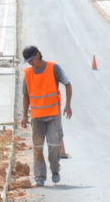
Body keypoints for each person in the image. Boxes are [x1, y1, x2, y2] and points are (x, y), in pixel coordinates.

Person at [19, 45, 73, 186]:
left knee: (54, 146)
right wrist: (24, 116)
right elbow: (26, 96)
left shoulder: (53, 68)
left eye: (32, 60)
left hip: (53, 115)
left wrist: (68, 105)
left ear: (38, 55)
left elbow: (67, 84)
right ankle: (40, 177)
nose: (31, 63)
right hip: (37, 117)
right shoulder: (28, 73)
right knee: (37, 148)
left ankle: (55, 170)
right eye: (28, 61)